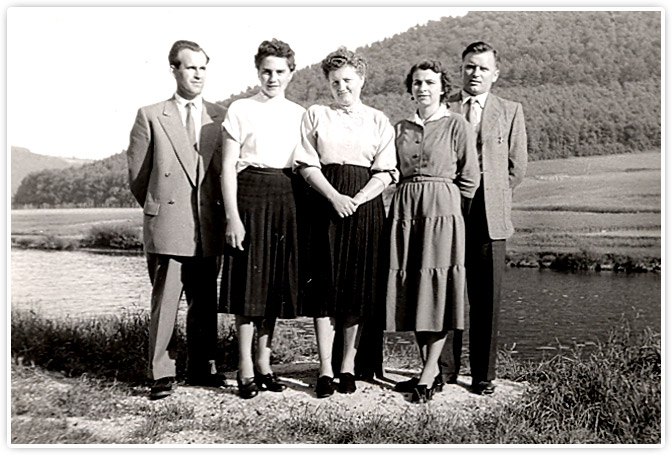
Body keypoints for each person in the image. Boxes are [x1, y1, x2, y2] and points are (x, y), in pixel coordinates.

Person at [293, 47, 397, 398]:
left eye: (348, 80)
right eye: (335, 81)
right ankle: (325, 369)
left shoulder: (378, 120)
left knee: (356, 287)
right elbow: (306, 164)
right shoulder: (316, 114)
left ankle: (348, 366)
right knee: (324, 285)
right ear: (328, 83)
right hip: (324, 204)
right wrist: (334, 197)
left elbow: (385, 172)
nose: (342, 87)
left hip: (364, 207)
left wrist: (359, 199)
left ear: (361, 80)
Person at [127, 40, 227, 400]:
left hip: (207, 224)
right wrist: (161, 211)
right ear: (174, 70)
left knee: (204, 301)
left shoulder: (219, 115)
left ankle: (202, 367)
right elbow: (139, 177)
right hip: (168, 221)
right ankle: (161, 373)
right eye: (190, 67)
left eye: (203, 67)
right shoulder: (151, 114)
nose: (198, 74)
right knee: (166, 300)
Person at [386, 60, 480, 403]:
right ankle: (430, 369)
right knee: (414, 286)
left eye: (429, 82)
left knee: (437, 287)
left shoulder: (457, 125)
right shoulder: (401, 127)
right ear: (409, 88)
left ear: (443, 87)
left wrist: (452, 213)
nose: (423, 88)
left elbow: (470, 179)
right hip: (406, 209)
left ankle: (428, 373)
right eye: (416, 83)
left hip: (443, 210)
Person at [439, 41, 528, 395]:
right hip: (449, 213)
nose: (475, 73)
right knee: (448, 291)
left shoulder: (510, 111)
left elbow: (516, 167)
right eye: (469, 67)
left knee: (486, 298)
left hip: (490, 216)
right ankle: (444, 370)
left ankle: (483, 376)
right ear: (461, 70)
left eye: (482, 68)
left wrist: (491, 195)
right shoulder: (445, 110)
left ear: (495, 73)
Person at [219, 39, 306, 399]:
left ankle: (265, 364)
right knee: (247, 287)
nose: (273, 78)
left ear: (291, 73)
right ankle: (244, 368)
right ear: (257, 71)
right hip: (250, 193)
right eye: (266, 71)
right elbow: (227, 167)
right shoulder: (240, 109)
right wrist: (233, 218)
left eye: (280, 72)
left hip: (287, 195)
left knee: (272, 287)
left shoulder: (301, 113)